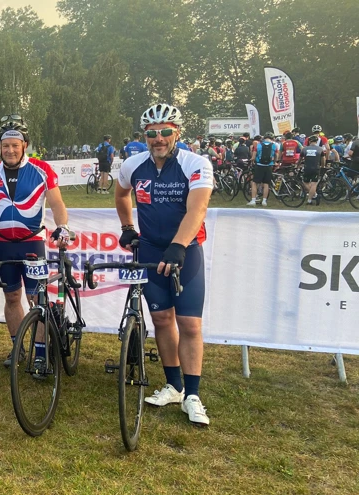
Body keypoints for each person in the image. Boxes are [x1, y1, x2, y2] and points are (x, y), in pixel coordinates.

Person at [116, 103, 213, 426]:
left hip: (185, 251)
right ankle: (173, 384)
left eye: (165, 132)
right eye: (152, 134)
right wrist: (128, 228)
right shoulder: (134, 165)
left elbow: (196, 210)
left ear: (177, 133)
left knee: (189, 324)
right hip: (150, 250)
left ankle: (193, 394)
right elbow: (121, 196)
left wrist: (178, 246)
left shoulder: (195, 163)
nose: (159, 139)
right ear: (145, 136)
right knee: (161, 318)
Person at [0, 121, 71, 369]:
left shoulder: (41, 170)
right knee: (11, 297)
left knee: (36, 299)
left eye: (15, 145)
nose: (10, 150)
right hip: (4, 245)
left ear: (25, 146)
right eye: (5, 145)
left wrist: (62, 226)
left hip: (32, 243)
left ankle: (40, 353)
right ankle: (18, 347)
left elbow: (57, 204)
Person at [248, 133, 279, 206]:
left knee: (254, 183)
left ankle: (253, 200)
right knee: (266, 184)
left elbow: (253, 157)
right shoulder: (274, 145)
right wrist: (274, 162)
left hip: (259, 166)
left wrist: (252, 160)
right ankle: (264, 201)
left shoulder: (258, 145)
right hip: (269, 166)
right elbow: (276, 156)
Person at [300, 135, 325, 207]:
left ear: (309, 141)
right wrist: (323, 166)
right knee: (314, 184)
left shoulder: (305, 149)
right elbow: (323, 159)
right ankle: (310, 199)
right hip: (316, 168)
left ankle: (314, 196)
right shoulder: (320, 149)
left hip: (307, 168)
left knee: (305, 182)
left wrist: (297, 165)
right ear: (317, 142)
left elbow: (300, 159)